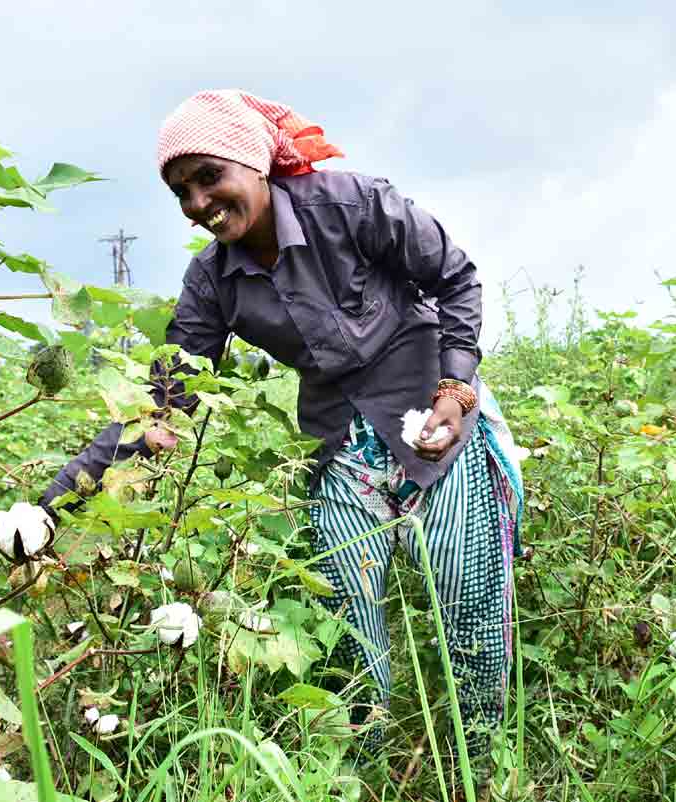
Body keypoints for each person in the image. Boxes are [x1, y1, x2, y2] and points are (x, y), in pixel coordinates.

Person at [39, 89, 524, 775]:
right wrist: (52, 506)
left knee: (467, 600)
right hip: (338, 442)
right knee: (349, 622)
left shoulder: (349, 203)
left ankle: (487, 766)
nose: (199, 202)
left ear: (254, 162)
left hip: (434, 420)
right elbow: (167, 400)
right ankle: (365, 775)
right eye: (182, 191)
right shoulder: (213, 282)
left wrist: (455, 386)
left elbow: (456, 277)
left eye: (211, 176)